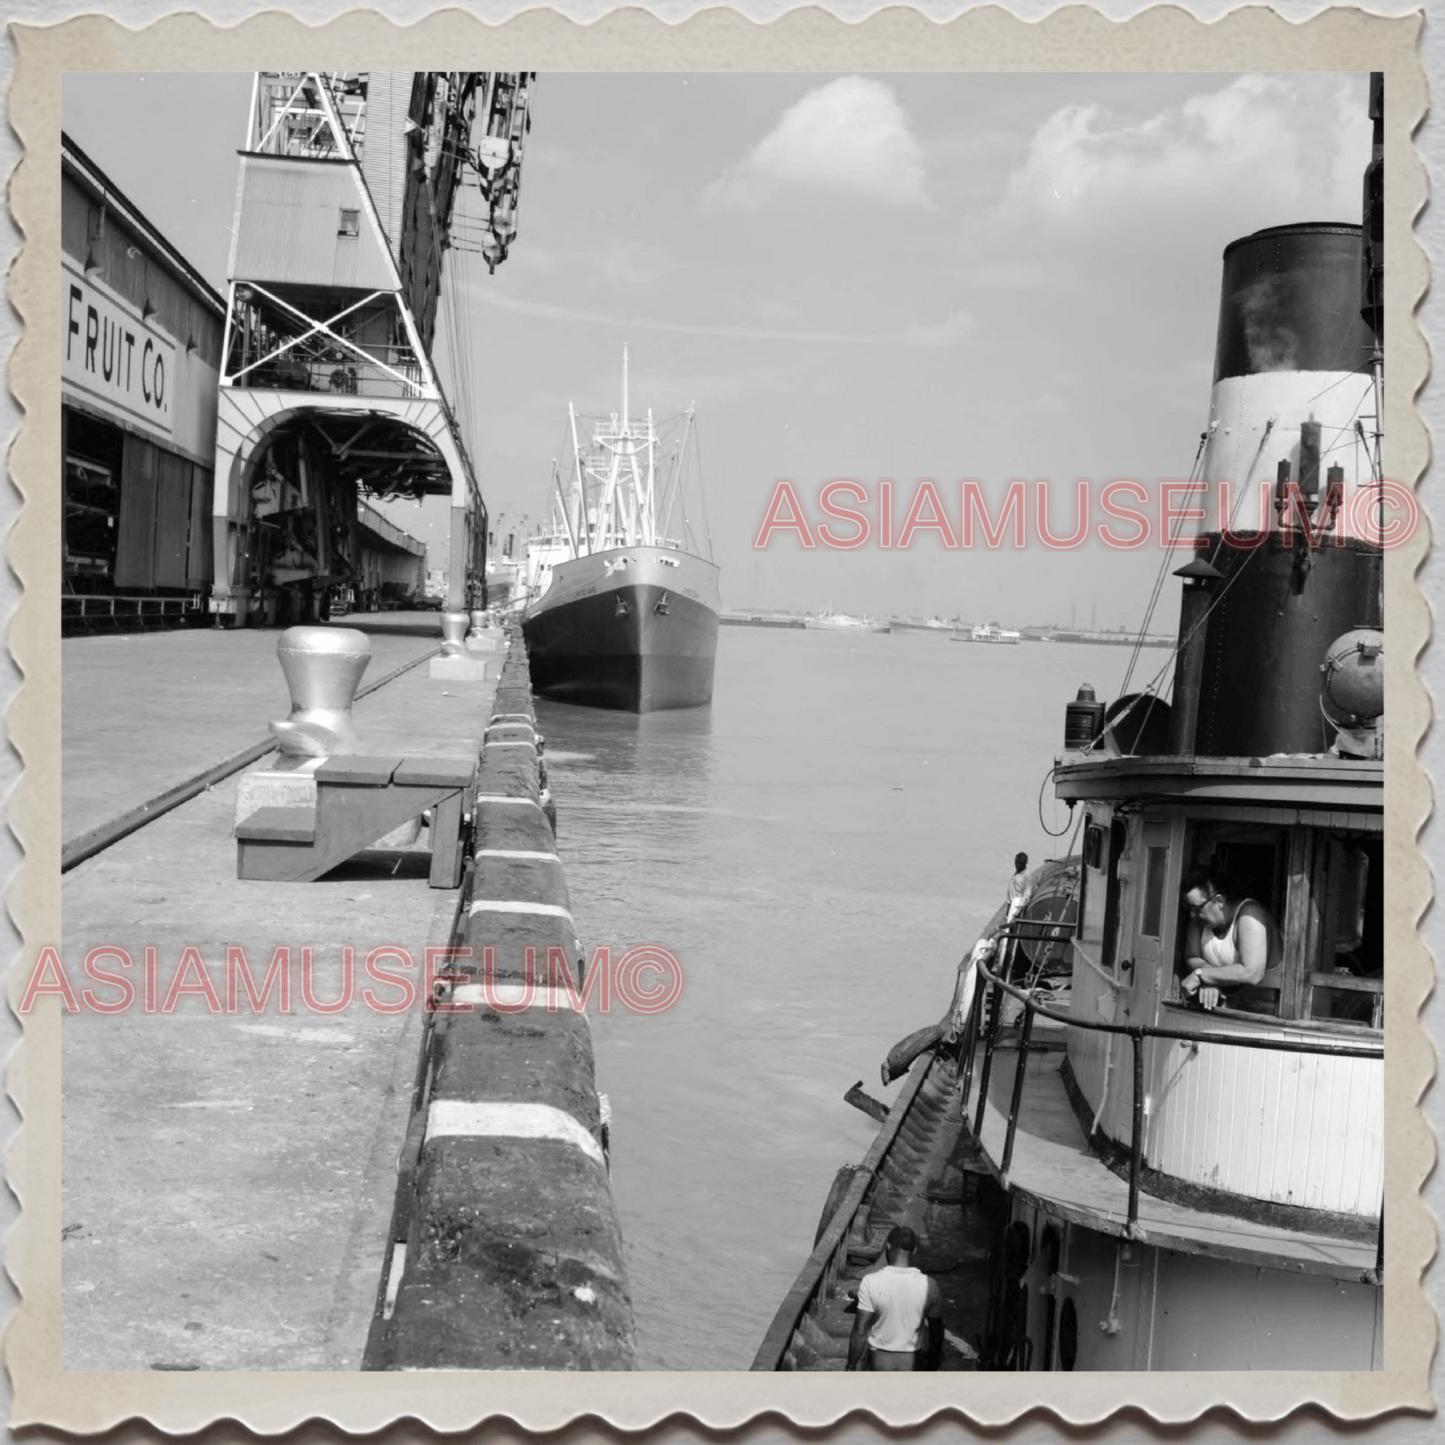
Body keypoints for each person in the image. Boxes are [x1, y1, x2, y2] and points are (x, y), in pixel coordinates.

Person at [1179, 865, 1283, 1012]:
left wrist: (1201, 975)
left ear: (1219, 901)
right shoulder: (1199, 917)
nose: (1192, 914)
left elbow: (1252, 973)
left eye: (1196, 908)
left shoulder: (1251, 914)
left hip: (1270, 1011)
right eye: (1189, 908)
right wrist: (1209, 979)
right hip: (1232, 1007)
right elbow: (1192, 956)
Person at [846, 1225, 943, 1371]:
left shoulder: (871, 1281)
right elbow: (936, 1332)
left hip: (879, 1359)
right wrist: (933, 1362)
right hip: (913, 1360)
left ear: (888, 1246)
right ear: (914, 1251)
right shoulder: (930, 1285)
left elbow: (860, 1331)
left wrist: (851, 1365)